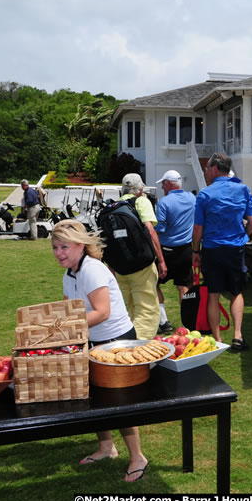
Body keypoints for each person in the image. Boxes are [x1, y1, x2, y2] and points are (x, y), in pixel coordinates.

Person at [51, 219, 149, 481]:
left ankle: (138, 457)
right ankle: (107, 447)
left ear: (81, 246)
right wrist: (54, 328)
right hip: (92, 343)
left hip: (117, 343)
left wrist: (69, 327)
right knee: (93, 399)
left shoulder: (91, 270)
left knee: (120, 405)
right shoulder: (69, 273)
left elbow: (102, 312)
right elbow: (68, 309)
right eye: (55, 247)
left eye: (64, 247)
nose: (59, 253)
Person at [192, 153, 252, 351]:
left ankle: (217, 339)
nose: (205, 171)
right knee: (236, 292)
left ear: (214, 168)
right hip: (234, 248)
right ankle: (238, 336)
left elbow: (198, 230)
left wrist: (195, 251)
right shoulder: (242, 189)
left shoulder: (205, 194)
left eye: (207, 168)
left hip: (212, 249)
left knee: (213, 293)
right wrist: (243, 236)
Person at [114, 173, 167, 340]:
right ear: (140, 189)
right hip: (141, 265)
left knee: (129, 309)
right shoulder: (141, 201)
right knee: (147, 310)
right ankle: (139, 351)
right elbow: (150, 231)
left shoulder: (113, 206)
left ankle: (126, 343)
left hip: (120, 268)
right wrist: (161, 260)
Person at [154, 170, 196, 334]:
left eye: (163, 183)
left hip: (167, 252)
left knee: (153, 284)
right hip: (186, 250)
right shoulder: (192, 198)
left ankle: (163, 322)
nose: (162, 187)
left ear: (170, 183)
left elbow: (161, 228)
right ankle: (188, 324)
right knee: (184, 287)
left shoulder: (164, 202)